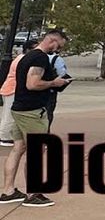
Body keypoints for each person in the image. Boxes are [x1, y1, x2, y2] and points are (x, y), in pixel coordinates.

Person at [0, 30, 70, 207]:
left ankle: (8, 191)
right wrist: (55, 83)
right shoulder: (40, 58)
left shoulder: (26, 57)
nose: (59, 50)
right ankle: (33, 193)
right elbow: (32, 84)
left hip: (19, 107)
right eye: (59, 46)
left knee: (18, 148)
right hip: (32, 111)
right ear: (52, 41)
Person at [0, 40, 35, 147]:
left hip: (12, 89)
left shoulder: (21, 58)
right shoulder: (23, 59)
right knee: (9, 114)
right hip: (12, 89)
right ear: (28, 49)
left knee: (11, 114)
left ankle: (7, 136)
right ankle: (4, 137)